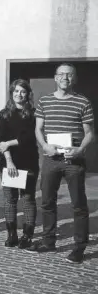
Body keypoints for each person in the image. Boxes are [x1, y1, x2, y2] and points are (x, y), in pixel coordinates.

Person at [27, 63, 94, 264]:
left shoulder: (83, 102)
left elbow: (90, 133)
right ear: (55, 78)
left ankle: (79, 248)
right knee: (47, 202)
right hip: (51, 159)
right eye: (62, 74)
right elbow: (38, 129)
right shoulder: (44, 101)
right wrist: (44, 146)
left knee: (79, 205)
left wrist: (80, 150)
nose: (65, 78)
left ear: (74, 78)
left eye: (69, 75)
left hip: (74, 161)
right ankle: (49, 241)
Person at [0, 79, 39, 249]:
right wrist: (9, 161)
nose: (18, 94)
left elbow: (29, 137)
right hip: (9, 162)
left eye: (22, 91)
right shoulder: (4, 114)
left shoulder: (34, 113)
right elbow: (0, 139)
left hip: (29, 162)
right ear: (11, 93)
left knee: (28, 199)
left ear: (28, 94)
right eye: (15, 91)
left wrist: (9, 143)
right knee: (10, 199)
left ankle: (27, 235)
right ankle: (12, 234)